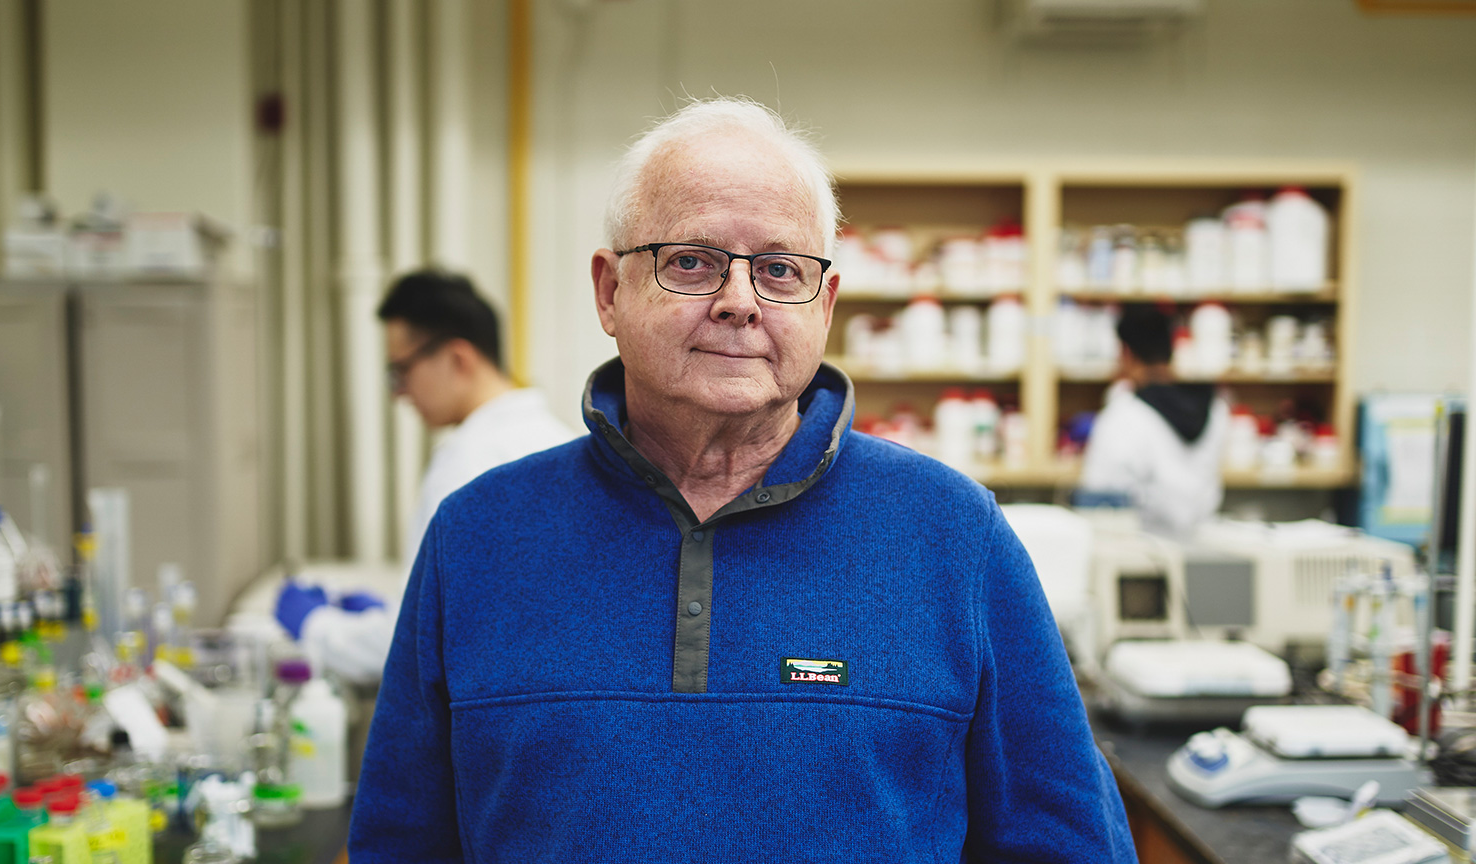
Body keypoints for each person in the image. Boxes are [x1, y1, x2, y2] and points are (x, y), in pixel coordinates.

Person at [350, 99, 1136, 861]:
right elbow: (400, 842)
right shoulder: (478, 536)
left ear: (823, 304)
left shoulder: (954, 536)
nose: (739, 302)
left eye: (779, 270)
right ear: (609, 292)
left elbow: (1068, 843)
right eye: (690, 262)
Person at [274, 270, 576, 683]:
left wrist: (316, 627)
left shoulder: (470, 463)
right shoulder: (558, 439)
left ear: (457, 358)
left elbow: (417, 645)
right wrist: (392, 611)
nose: (398, 392)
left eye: (401, 370)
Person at [1080, 303, 1229, 538]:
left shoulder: (1123, 416)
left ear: (1125, 353)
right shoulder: (1215, 408)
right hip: (1202, 549)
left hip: (1144, 557)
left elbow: (1098, 497)